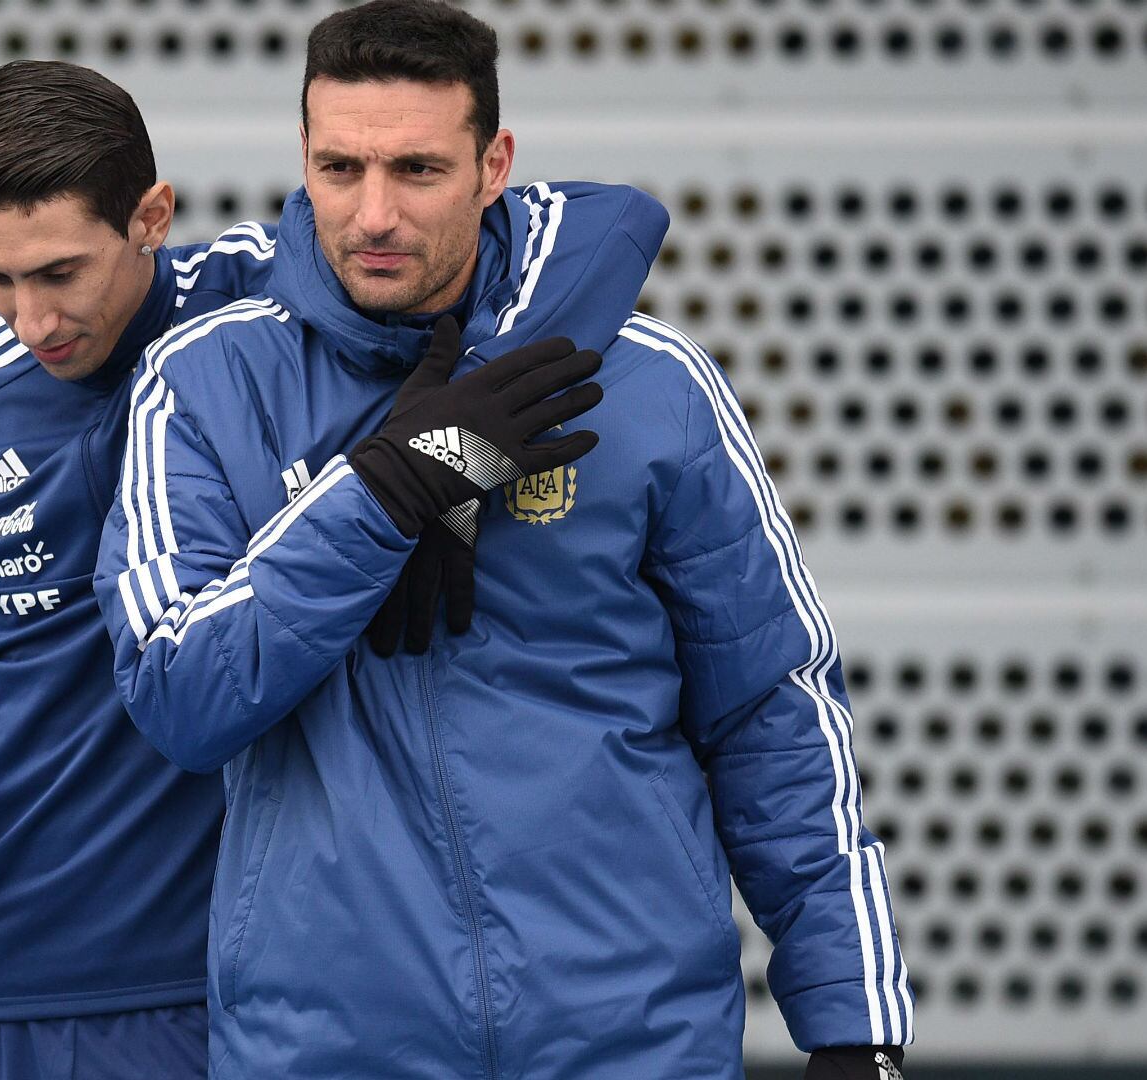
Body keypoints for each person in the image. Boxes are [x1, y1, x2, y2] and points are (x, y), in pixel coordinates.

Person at [94, 3, 913, 1078]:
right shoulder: (204, 383)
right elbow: (178, 694)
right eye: (340, 168)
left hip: (631, 1034)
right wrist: (386, 494)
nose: (373, 213)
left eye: (418, 171)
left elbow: (772, 707)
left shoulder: (647, 381)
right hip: (330, 1044)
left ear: (494, 165)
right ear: (302, 157)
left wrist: (855, 1023)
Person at [0, 60, 283, 1079]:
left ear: (152, 215)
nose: (31, 319)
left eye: (61, 273)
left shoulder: (269, 303)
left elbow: (539, 247)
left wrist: (455, 473)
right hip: (5, 990)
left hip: (243, 986)